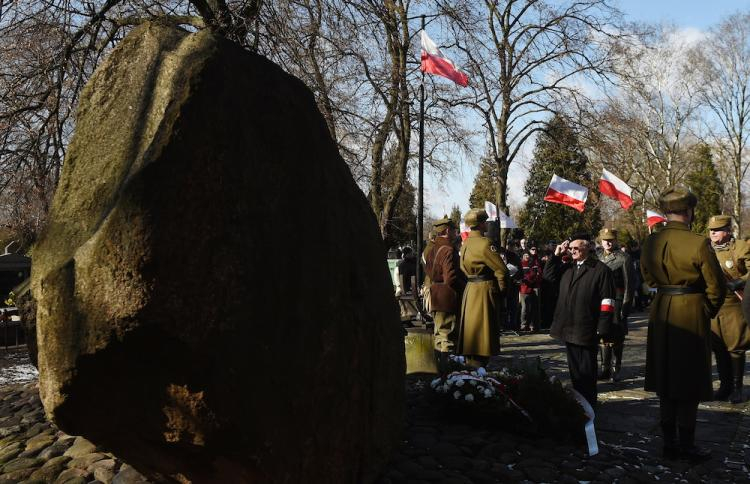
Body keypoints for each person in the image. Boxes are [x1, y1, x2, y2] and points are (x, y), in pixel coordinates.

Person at [640, 187, 726, 462]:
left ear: (666, 213)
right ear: (688, 212)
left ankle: (669, 443)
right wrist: (705, 310)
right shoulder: (699, 242)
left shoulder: (651, 241)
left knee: (665, 378)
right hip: (690, 311)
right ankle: (686, 445)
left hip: (661, 309)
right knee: (688, 380)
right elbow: (716, 286)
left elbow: (648, 280)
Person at [543, 234, 615, 408]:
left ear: (587, 247)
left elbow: (608, 301)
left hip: (587, 327)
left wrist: (603, 327)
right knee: (575, 371)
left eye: (577, 248)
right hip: (569, 326)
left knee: (587, 372)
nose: (573, 251)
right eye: (571, 248)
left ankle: (589, 404)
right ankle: (579, 403)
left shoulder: (600, 270)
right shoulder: (568, 267)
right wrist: (557, 254)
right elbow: (548, 276)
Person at [706, 215, 750, 403]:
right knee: (718, 347)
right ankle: (725, 386)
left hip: (735, 304)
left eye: (717, 229)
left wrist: (740, 280)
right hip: (714, 305)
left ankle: (737, 388)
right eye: (711, 230)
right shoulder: (705, 249)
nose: (713, 233)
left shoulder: (741, 247)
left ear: (728, 230)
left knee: (736, 347)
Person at [457, 209, 508, 368]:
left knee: (471, 333)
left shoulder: (465, 243)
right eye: (484, 221)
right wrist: (501, 292)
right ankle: (479, 372)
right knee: (483, 334)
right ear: (480, 224)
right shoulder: (485, 243)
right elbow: (502, 271)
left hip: (470, 289)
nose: (486, 224)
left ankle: (471, 368)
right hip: (484, 290)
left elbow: (462, 267)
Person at [425, 217, 466, 367]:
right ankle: (448, 372)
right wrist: (465, 287)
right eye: (454, 230)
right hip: (447, 298)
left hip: (436, 295)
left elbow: (429, 271)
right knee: (448, 336)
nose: (456, 233)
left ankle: (440, 370)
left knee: (439, 335)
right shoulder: (448, 249)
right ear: (448, 230)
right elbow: (451, 278)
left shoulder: (432, 249)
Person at [596, 228, 634, 382]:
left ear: (615, 240)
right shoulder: (597, 257)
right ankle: (604, 368)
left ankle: (615, 368)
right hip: (603, 302)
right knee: (602, 335)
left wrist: (626, 306)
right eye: (605, 239)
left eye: (611, 239)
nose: (608, 242)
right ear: (601, 240)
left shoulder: (624, 258)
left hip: (618, 301)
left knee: (617, 337)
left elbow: (629, 285)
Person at [519, 252, 542, 332]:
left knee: (533, 308)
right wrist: (532, 276)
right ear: (522, 256)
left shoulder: (532, 264)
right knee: (525, 308)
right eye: (525, 255)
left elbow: (538, 274)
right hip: (524, 289)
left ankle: (532, 325)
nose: (527, 256)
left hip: (533, 288)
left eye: (528, 255)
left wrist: (534, 276)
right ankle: (523, 325)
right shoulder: (521, 264)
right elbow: (523, 277)